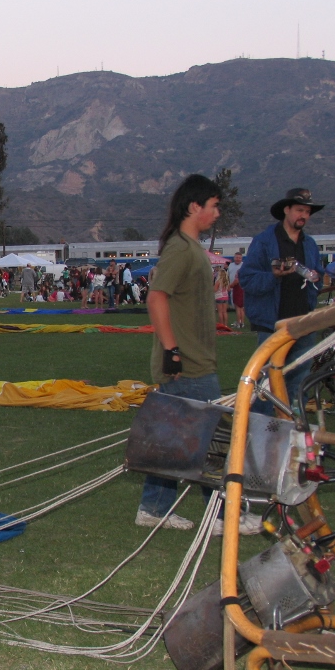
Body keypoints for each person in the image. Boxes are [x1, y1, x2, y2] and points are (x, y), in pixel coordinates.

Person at [135, 173, 261, 535]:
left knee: (176, 440)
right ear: (195, 207)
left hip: (193, 360)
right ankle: (221, 517)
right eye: (214, 205)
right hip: (188, 365)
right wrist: (172, 351)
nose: (218, 213)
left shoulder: (189, 249)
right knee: (210, 443)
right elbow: (156, 297)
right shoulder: (180, 249)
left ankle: (154, 508)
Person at [239, 188, 325, 412]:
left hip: (302, 324)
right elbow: (247, 279)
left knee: (299, 383)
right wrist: (274, 276)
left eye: (307, 211)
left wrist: (316, 282)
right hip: (272, 324)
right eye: (299, 210)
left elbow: (319, 277)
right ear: (286, 210)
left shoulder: (310, 244)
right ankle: (260, 436)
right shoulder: (265, 242)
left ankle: (292, 432)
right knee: (266, 385)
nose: (303, 216)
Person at [226, 250, 245, 329]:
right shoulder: (230, 265)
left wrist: (231, 285)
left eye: (239, 258)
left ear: (241, 258)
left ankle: (240, 322)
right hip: (233, 288)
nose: (238, 259)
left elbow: (237, 280)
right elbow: (227, 276)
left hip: (240, 287)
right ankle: (240, 322)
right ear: (234, 258)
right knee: (238, 306)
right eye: (236, 257)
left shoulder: (243, 266)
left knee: (239, 307)